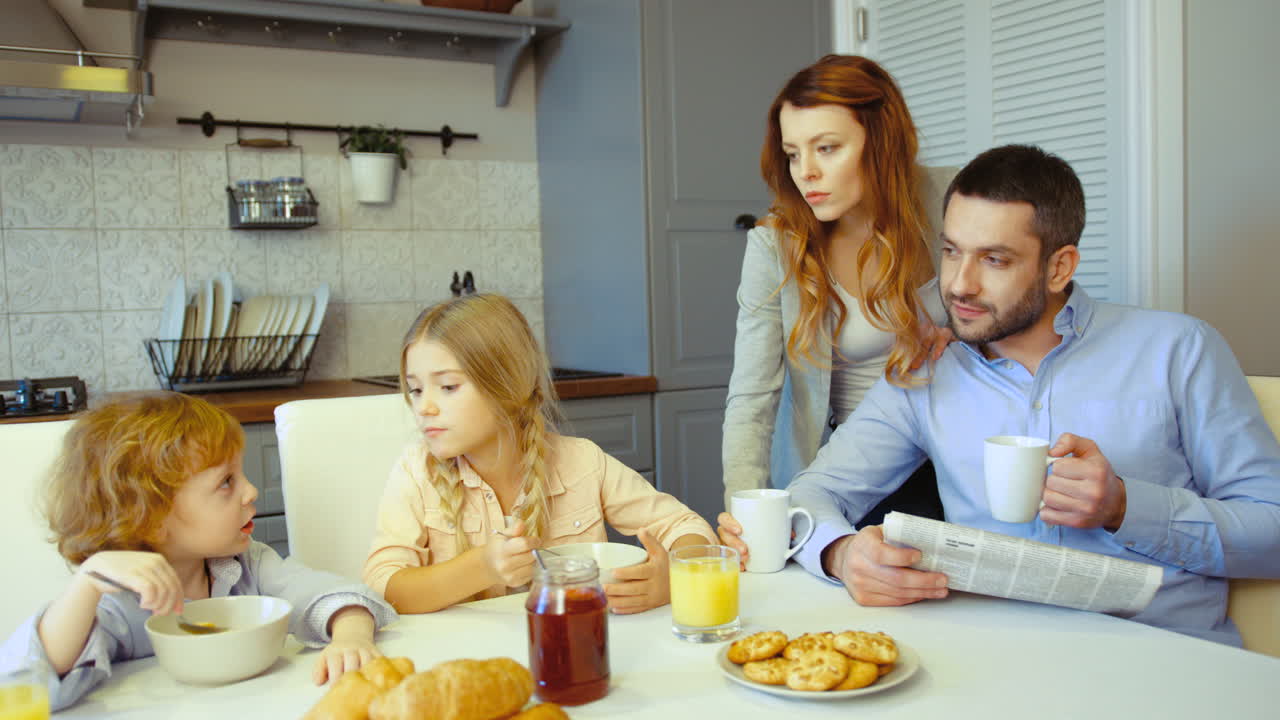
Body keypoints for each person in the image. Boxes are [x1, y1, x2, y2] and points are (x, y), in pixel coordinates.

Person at [777, 143, 1280, 645]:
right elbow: (809, 495)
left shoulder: (1179, 349)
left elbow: (1272, 530)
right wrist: (840, 553)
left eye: (994, 259)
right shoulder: (926, 371)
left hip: (1168, 655)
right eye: (951, 251)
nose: (960, 285)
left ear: (1060, 267)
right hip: (997, 657)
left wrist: (1125, 507)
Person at [0, 392, 398, 711]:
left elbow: (337, 595)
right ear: (151, 517)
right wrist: (87, 584)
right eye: (226, 482)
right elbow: (30, 685)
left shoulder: (247, 566)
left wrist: (350, 636)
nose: (251, 491)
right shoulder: (116, 602)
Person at [719, 54, 951, 560]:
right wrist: (744, 511)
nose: (806, 172)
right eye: (793, 153)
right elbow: (752, 397)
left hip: (956, 459)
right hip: (849, 474)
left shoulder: (953, 200)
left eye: (826, 148)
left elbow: (1018, 322)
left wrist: (966, 344)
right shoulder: (776, 244)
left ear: (881, 139)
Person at [363, 293, 716, 614]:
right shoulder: (416, 472)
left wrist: (672, 578)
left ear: (507, 385)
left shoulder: (583, 463)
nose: (424, 407)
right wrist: (482, 567)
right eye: (416, 389)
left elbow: (686, 527)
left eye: (448, 387)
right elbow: (383, 586)